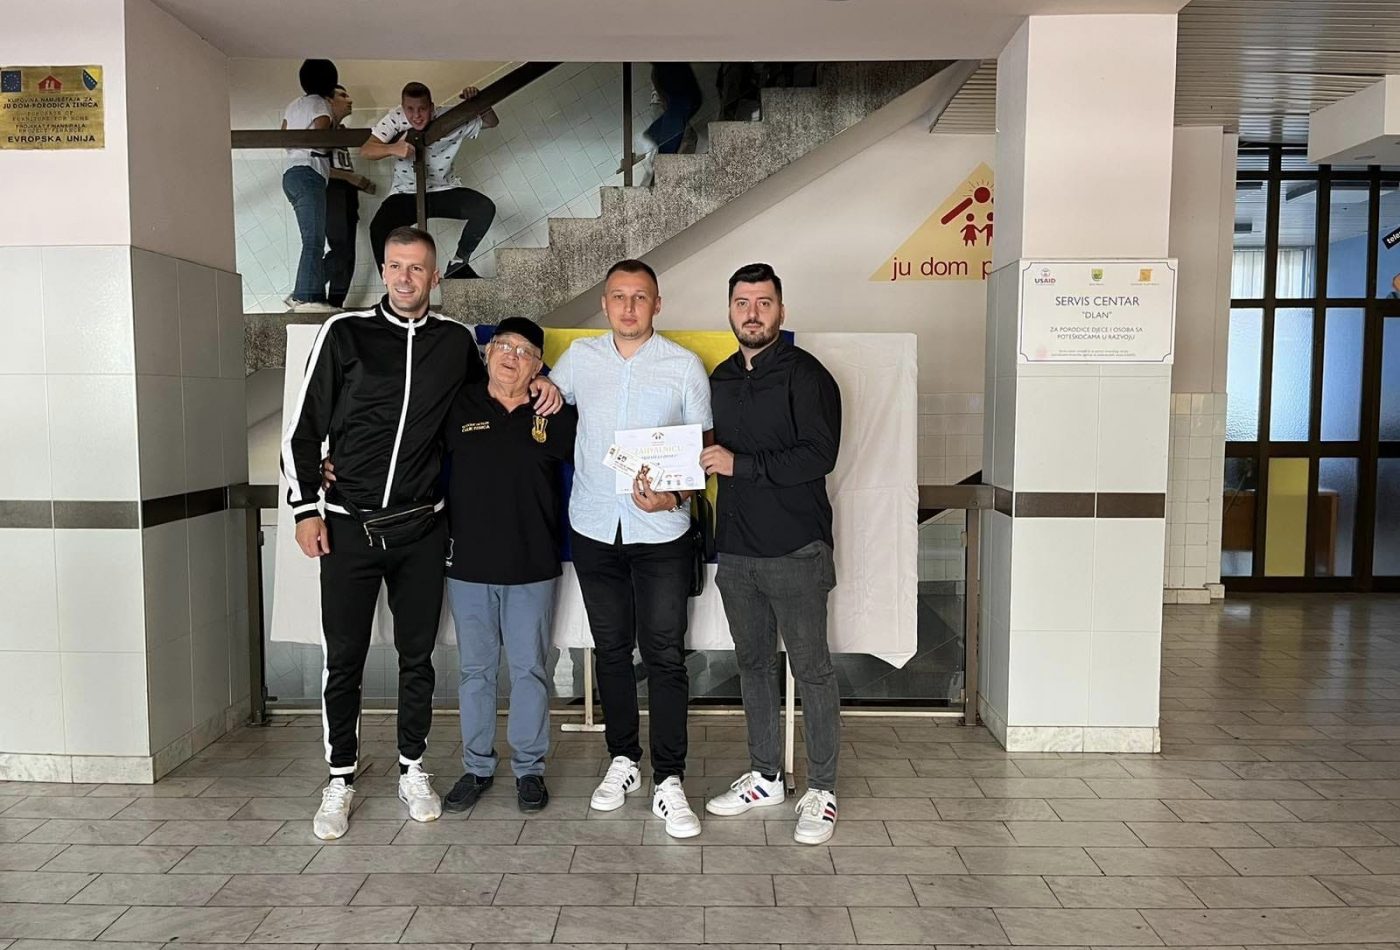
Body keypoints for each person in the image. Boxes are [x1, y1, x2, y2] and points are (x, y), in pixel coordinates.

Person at [282, 225, 560, 841]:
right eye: (396, 266)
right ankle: (340, 777)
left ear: (435, 277)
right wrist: (305, 509)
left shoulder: (456, 341)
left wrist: (547, 382)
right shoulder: (344, 333)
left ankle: (412, 767)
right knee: (344, 657)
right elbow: (302, 429)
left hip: (422, 531)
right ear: (383, 270)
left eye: (418, 268)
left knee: (418, 657)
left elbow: (502, 382)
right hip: (348, 526)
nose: (406, 278)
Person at [548, 259, 712, 839]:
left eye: (640, 297)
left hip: (662, 533)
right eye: (618, 296)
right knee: (612, 650)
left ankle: (669, 778)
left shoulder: (683, 367)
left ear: (657, 304)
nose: (628, 307)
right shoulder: (580, 359)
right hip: (595, 526)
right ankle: (624, 759)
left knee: (664, 654)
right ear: (605, 303)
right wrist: (538, 386)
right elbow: (547, 396)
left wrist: (675, 497)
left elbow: (703, 450)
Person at [700, 262, 844, 846]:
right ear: (730, 311)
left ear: (781, 310)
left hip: (795, 548)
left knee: (812, 670)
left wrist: (741, 465)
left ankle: (823, 789)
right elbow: (702, 450)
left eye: (763, 303)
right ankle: (765, 777)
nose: (752, 313)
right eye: (742, 303)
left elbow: (819, 455)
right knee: (754, 666)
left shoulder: (808, 376)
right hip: (735, 552)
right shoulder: (720, 377)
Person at [437, 317, 578, 815]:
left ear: (539, 366)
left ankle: (529, 770)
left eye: (524, 352)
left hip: (532, 564)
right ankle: (477, 766)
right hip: (468, 565)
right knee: (475, 672)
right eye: (503, 346)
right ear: (487, 353)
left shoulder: (555, 414)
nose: (511, 357)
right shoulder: (459, 404)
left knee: (529, 671)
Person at [363, 82, 499, 280]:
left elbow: (491, 122)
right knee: (378, 228)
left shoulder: (449, 117)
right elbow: (367, 150)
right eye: (410, 109)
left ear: (432, 107)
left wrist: (480, 102)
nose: (416, 115)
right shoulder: (396, 117)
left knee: (484, 208)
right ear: (403, 108)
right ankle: (391, 285)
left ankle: (458, 264)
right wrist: (392, 149)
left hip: (443, 190)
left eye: (422, 109)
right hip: (405, 194)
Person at [280, 59, 339, 313]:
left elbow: (283, 138)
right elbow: (321, 141)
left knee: (313, 239)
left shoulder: (293, 105)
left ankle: (315, 299)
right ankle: (303, 298)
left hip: (290, 174)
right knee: (313, 240)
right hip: (309, 173)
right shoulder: (321, 104)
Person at [323, 84, 375, 308]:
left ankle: (334, 305)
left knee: (348, 255)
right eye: (342, 96)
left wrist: (358, 183)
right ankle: (304, 289)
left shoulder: (341, 131)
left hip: (346, 194)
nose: (349, 100)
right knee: (341, 251)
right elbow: (316, 166)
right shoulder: (321, 131)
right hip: (332, 193)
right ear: (328, 101)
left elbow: (339, 166)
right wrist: (351, 178)